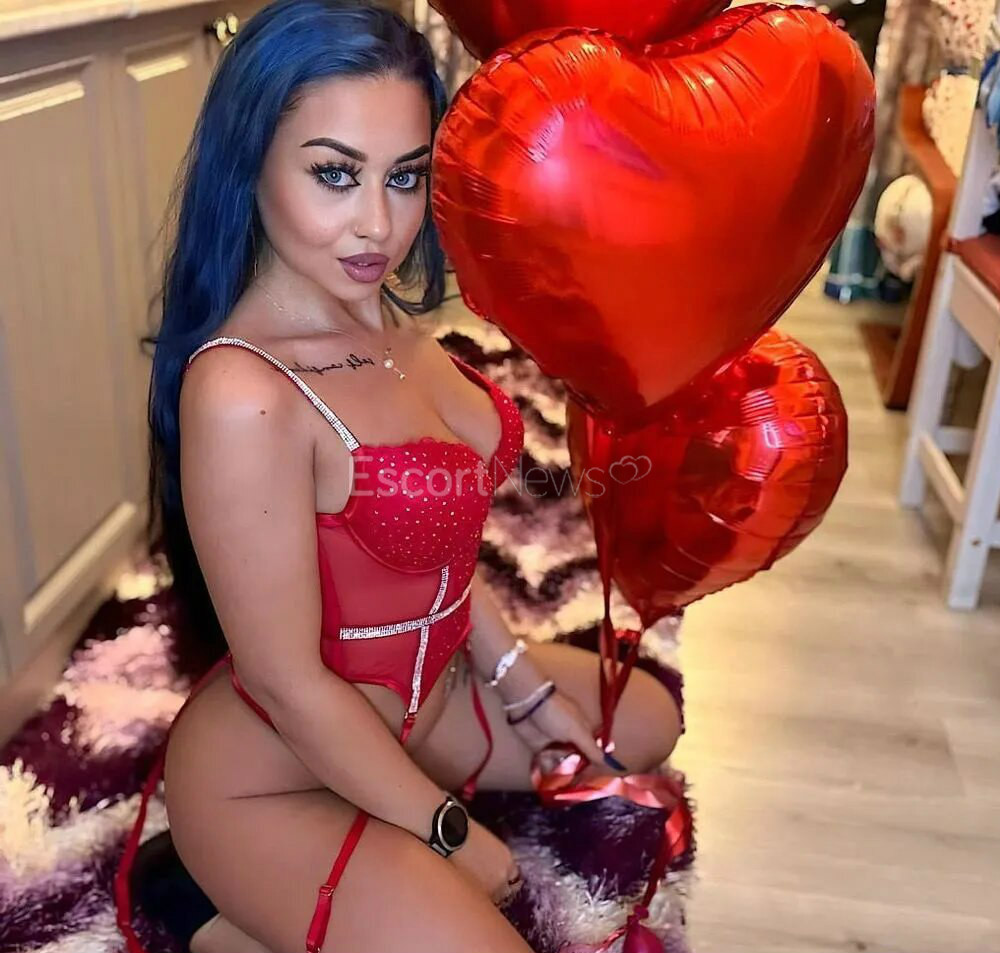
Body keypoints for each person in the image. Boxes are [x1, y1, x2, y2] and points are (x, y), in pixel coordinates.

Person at [114, 2, 684, 952]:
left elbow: (442, 547)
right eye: (335, 174)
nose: (378, 224)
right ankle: (212, 903)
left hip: (431, 701)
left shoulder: (380, 318)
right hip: (278, 772)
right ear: (251, 163)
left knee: (647, 721)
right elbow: (286, 683)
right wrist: (447, 830)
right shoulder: (244, 390)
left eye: (405, 176)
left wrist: (522, 688)